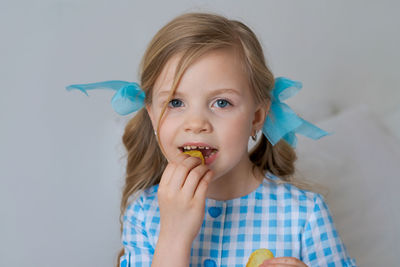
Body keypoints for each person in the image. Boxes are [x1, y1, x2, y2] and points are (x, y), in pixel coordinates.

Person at [66, 12, 357, 267]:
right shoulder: (144, 213)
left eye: (221, 103)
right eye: (176, 103)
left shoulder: (303, 214)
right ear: (153, 116)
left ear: (256, 117)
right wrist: (174, 236)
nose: (196, 124)